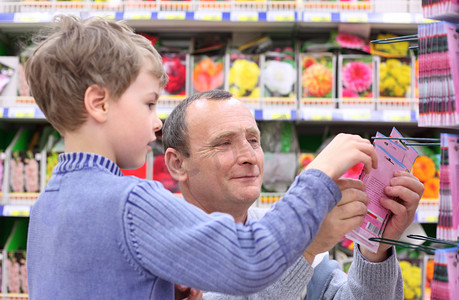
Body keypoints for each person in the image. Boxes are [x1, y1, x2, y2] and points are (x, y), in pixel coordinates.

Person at [24, 16, 379, 299]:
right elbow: (250, 261)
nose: (157, 120)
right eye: (149, 103)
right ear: (99, 103)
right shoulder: (130, 202)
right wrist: (318, 175)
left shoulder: (45, 206)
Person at [162, 89, 424, 299]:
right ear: (177, 164)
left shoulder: (276, 222)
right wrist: (304, 246)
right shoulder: (156, 243)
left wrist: (374, 248)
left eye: (253, 140)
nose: (249, 156)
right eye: (223, 143)